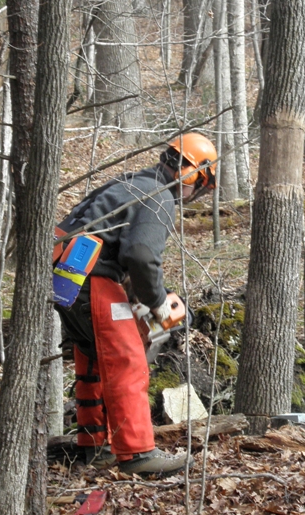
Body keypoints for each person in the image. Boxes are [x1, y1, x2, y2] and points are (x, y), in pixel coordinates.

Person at [55, 132, 217, 477]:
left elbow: (111, 243)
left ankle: (95, 446)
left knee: (92, 354)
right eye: (199, 185)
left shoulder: (130, 183)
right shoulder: (159, 197)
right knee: (127, 360)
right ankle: (138, 453)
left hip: (67, 271)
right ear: (192, 174)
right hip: (92, 276)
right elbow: (141, 256)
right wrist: (158, 303)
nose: (195, 194)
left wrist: (138, 293)